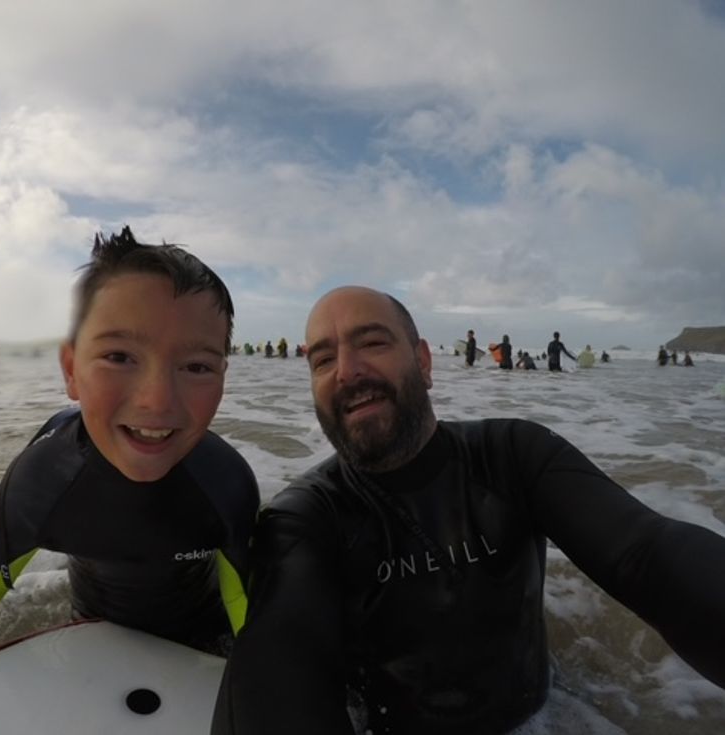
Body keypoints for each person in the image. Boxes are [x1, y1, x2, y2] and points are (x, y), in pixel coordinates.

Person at [213, 286, 725, 735]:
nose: (346, 371)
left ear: (425, 362)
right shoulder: (306, 516)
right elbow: (279, 669)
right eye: (322, 360)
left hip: (551, 712)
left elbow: (644, 554)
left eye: (372, 342)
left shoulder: (515, 455)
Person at [0, 226, 259, 733]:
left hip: (202, 638)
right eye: (119, 357)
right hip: (91, 627)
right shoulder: (45, 480)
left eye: (197, 365)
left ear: (225, 375)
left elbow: (246, 603)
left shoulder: (224, 484)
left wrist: (267, 685)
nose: (158, 400)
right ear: (71, 368)